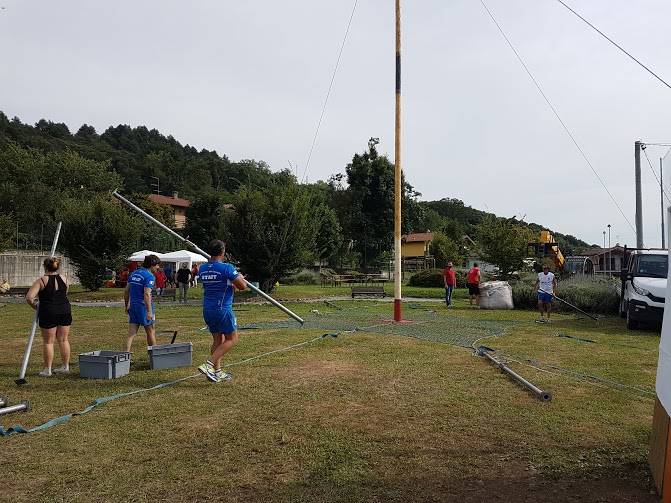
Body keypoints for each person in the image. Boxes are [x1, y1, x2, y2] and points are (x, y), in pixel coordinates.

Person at [198, 239, 247, 382]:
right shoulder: (227, 267)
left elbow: (221, 284)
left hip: (208, 308)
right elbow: (242, 286)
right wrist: (240, 277)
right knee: (232, 338)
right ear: (222, 252)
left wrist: (232, 284)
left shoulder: (202, 268)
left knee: (217, 340)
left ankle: (217, 372)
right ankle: (209, 364)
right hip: (222, 309)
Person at [25, 257, 72, 376]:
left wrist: (36, 306)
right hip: (64, 310)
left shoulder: (41, 280)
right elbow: (64, 293)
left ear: (44, 266)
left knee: (48, 342)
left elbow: (29, 297)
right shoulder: (65, 279)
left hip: (49, 311)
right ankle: (65, 366)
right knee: (63, 339)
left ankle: (47, 369)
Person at [124, 254, 161, 352]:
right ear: (152, 265)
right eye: (157, 265)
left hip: (133, 306)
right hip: (143, 307)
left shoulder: (134, 273)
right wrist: (149, 311)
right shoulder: (149, 276)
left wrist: (126, 305)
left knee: (131, 334)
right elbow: (147, 294)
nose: (158, 267)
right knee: (151, 331)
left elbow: (126, 291)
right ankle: (155, 355)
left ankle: (125, 357)